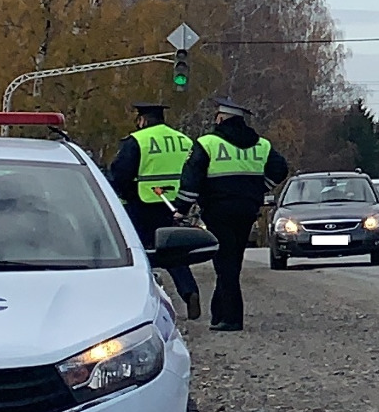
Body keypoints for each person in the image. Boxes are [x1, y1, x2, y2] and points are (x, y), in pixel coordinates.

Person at [178, 99, 288, 332]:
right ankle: (219, 314)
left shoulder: (207, 143)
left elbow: (192, 179)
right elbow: (281, 168)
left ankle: (231, 318)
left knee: (225, 262)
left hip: (218, 210)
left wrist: (182, 208)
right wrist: (260, 188)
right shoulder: (261, 145)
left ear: (221, 118)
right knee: (232, 260)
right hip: (247, 209)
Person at [107, 102, 201, 319]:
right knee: (174, 252)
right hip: (175, 204)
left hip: (143, 203)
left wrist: (123, 195)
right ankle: (189, 292)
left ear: (143, 120)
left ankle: (141, 300)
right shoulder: (183, 140)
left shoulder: (138, 140)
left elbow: (120, 174)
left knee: (137, 252)